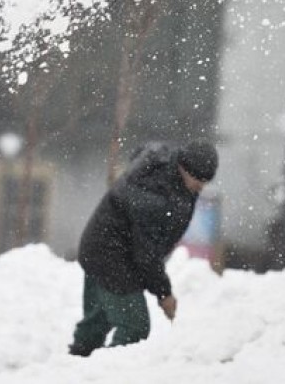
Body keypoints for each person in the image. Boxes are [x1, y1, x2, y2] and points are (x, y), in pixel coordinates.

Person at [68, 139, 218, 356]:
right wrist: (164, 293)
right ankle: (107, 374)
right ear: (184, 168)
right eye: (198, 179)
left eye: (206, 180)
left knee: (97, 321)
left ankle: (73, 368)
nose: (201, 186)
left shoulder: (168, 166)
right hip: (111, 257)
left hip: (101, 247)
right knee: (134, 327)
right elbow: (146, 253)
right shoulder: (155, 196)